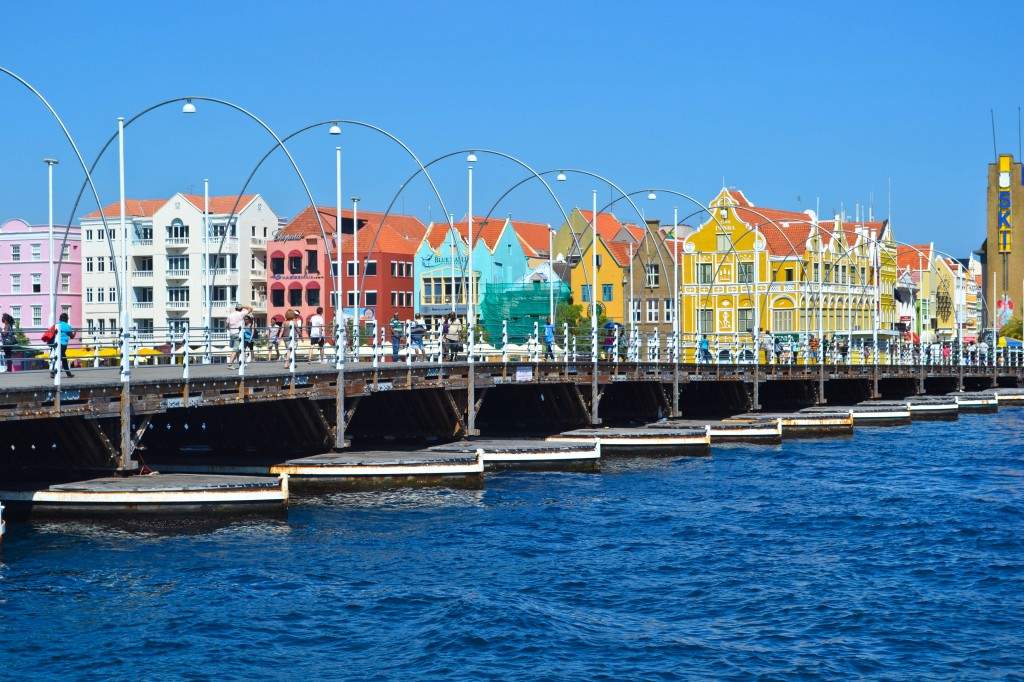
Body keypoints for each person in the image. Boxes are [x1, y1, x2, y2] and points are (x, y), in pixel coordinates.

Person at [49, 312, 75, 379]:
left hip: (56, 344)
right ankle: (56, 372)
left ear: (60, 319)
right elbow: (72, 336)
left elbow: (51, 334)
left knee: (60, 358)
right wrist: (75, 332)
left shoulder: (56, 325)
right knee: (62, 358)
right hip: (63, 345)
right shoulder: (67, 326)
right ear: (66, 319)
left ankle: (55, 372)